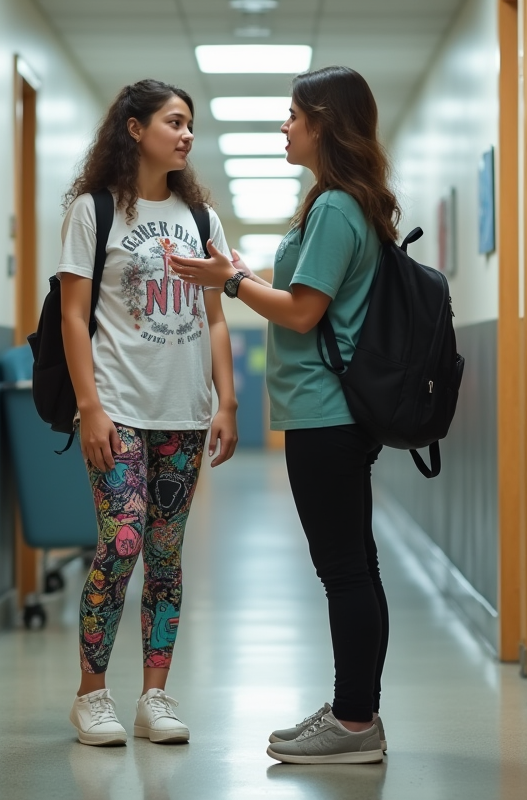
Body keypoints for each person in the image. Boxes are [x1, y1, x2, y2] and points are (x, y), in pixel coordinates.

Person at [169, 65, 399, 765]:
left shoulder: (334, 208)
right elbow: (308, 299)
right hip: (332, 412)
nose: (285, 126)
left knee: (345, 571)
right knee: (357, 564)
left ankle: (355, 722)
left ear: (325, 122)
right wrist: (244, 275)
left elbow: (303, 312)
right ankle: (356, 709)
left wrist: (231, 282)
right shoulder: (339, 201)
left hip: (324, 414)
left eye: (294, 115)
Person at [59, 79, 239, 747]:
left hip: (184, 412)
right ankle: (92, 694)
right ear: (134, 129)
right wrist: (90, 406)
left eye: (190, 124)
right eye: (174, 121)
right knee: (123, 542)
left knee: (166, 554)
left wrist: (227, 399)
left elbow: (216, 318)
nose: (187, 134)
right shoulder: (95, 211)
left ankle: (154, 697)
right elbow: (74, 318)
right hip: (118, 407)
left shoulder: (202, 222)